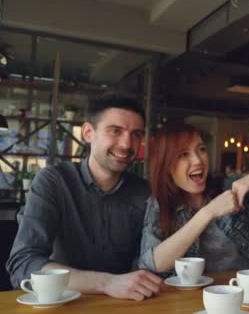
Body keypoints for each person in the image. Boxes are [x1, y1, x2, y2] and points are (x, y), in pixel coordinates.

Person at [6, 94, 162, 301]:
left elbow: (149, 262)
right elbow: (24, 263)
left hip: (126, 305)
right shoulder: (54, 181)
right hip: (63, 305)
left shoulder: (144, 192)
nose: (127, 144)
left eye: (136, 134)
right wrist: (108, 283)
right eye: (115, 131)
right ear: (88, 133)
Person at [138, 123, 249, 275]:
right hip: (189, 297)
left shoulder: (230, 187)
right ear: (166, 165)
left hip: (244, 292)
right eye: (184, 154)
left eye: (201, 150)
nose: (198, 160)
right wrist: (207, 213)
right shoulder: (160, 203)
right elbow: (151, 264)